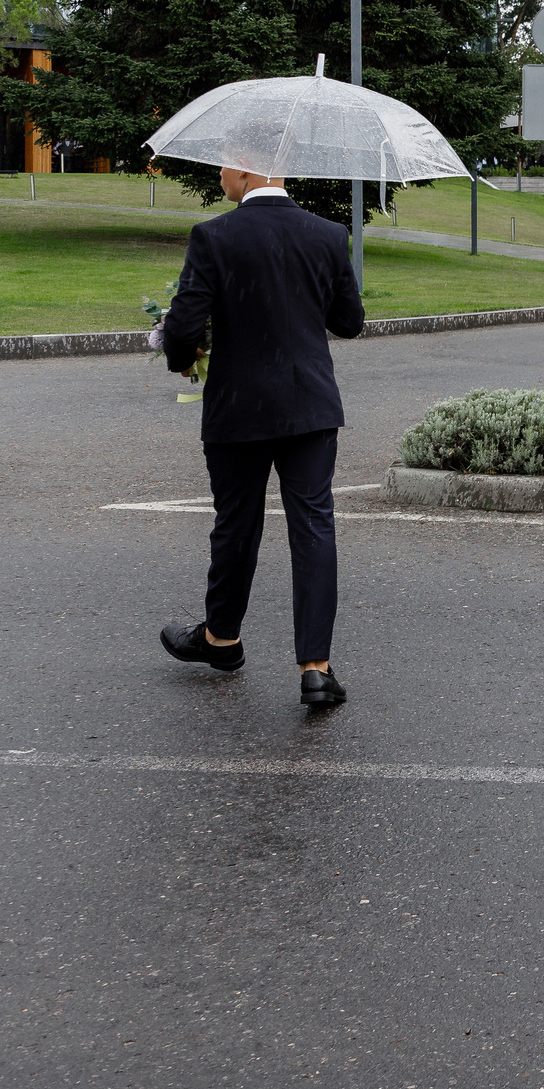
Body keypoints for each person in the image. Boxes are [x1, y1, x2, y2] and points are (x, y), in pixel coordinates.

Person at [158, 141, 365, 707]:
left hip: (238, 407)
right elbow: (349, 321)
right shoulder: (327, 235)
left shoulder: (215, 237)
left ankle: (222, 638)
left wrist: (183, 358)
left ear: (247, 170)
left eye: (224, 163)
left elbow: (182, 326)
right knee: (314, 528)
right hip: (309, 406)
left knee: (237, 524)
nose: (219, 173)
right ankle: (316, 669)